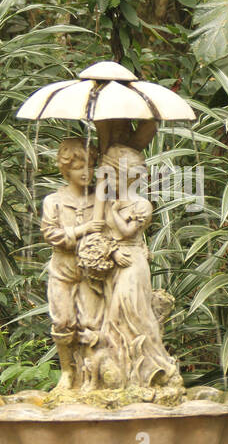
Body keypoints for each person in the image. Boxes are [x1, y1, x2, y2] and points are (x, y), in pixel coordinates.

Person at [95, 145, 181, 389]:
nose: (109, 178)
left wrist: (112, 210)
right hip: (114, 264)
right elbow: (97, 232)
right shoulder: (106, 201)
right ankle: (120, 369)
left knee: (134, 312)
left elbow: (126, 232)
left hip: (132, 264)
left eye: (113, 173)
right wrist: (110, 251)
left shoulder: (141, 205)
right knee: (113, 316)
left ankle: (152, 367)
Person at [41, 138, 105, 392]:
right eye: (79, 168)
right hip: (63, 270)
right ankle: (67, 372)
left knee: (91, 324)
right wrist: (82, 230)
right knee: (63, 321)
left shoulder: (100, 201)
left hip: (91, 272)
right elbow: (51, 235)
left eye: (90, 166)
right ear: (66, 170)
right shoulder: (53, 201)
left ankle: (91, 376)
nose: (86, 173)